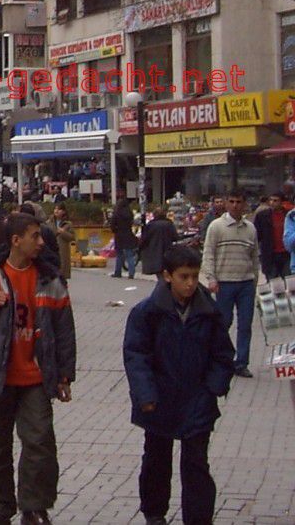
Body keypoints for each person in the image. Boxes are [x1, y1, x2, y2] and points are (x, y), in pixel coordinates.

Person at [0, 212, 77, 525]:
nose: (41, 242)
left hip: (36, 378)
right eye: (35, 236)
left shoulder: (50, 280)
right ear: (16, 240)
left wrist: (65, 374)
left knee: (40, 442)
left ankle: (35, 506)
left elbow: (64, 329)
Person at [123, 245, 234, 525]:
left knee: (196, 464)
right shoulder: (147, 312)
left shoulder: (208, 311)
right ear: (167, 276)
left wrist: (214, 387)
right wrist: (145, 394)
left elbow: (222, 353)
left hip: (198, 398)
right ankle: (154, 513)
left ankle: (198, 519)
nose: (190, 283)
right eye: (184, 276)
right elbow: (136, 356)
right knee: (157, 460)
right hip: (159, 398)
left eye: (195, 276)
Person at [201, 189, 260, 378]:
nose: (235, 205)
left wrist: (255, 282)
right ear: (226, 203)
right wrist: (211, 278)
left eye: (239, 202)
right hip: (224, 282)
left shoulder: (250, 228)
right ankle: (219, 359)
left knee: (245, 324)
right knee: (223, 322)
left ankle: (241, 363)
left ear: (244, 205)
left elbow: (255, 258)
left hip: (246, 283)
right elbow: (208, 253)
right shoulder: (216, 227)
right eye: (232, 201)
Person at [256, 193, 291, 279]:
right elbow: (257, 234)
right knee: (273, 281)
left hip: (286, 253)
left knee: (289, 281)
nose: (272, 203)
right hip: (270, 254)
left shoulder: (289, 215)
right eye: (270, 200)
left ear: (281, 202)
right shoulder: (262, 216)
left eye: (275, 200)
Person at [139, 205, 179, 279]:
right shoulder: (169, 224)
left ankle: (163, 286)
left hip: (154, 251)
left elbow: (145, 239)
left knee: (159, 274)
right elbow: (175, 237)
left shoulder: (151, 225)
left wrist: (140, 247)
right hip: (167, 250)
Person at [110, 198, 139, 279]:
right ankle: (131, 273)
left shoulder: (116, 213)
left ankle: (118, 272)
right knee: (129, 255)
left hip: (119, 235)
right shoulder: (129, 213)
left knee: (119, 255)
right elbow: (132, 223)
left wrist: (115, 230)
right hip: (128, 234)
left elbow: (112, 225)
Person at [51, 204, 75, 281]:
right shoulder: (49, 222)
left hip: (63, 252)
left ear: (64, 211)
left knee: (62, 276)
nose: (56, 211)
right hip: (52, 250)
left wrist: (63, 232)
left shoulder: (68, 224)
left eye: (59, 209)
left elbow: (72, 237)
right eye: (55, 209)